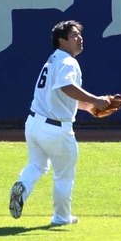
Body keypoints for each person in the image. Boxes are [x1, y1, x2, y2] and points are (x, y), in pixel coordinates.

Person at [9, 20, 113, 226]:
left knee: (36, 165)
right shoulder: (68, 62)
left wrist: (89, 107)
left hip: (34, 123)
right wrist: (96, 100)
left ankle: (22, 185)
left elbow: (61, 94)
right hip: (56, 130)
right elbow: (67, 87)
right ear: (61, 40)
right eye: (74, 35)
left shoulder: (53, 60)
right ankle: (61, 217)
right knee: (64, 176)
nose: (80, 38)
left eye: (79, 34)